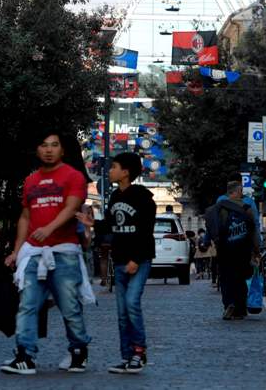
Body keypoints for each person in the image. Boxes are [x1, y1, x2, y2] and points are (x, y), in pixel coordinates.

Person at [0, 131, 93, 375]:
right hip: (34, 252)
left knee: (70, 307)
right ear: (37, 150)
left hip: (64, 252)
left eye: (54, 145)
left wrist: (49, 228)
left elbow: (72, 207)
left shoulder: (73, 177)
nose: (49, 150)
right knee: (28, 304)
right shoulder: (30, 181)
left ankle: (78, 351)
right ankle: (24, 356)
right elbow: (25, 216)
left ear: (62, 150)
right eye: (43, 145)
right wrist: (16, 251)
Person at [104, 152, 156, 374]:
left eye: (114, 167)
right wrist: (92, 224)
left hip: (139, 260)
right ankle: (127, 357)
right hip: (120, 260)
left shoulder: (143, 197)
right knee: (122, 311)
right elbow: (109, 224)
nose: (110, 171)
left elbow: (146, 231)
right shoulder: (115, 196)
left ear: (125, 172)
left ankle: (139, 352)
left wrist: (136, 258)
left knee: (132, 303)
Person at [205, 180, 259, 320]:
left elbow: (211, 226)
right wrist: (256, 249)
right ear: (238, 191)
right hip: (243, 250)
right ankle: (240, 308)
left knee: (226, 279)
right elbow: (254, 229)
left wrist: (208, 242)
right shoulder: (247, 207)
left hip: (224, 250)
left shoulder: (219, 207)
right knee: (241, 279)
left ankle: (228, 304)